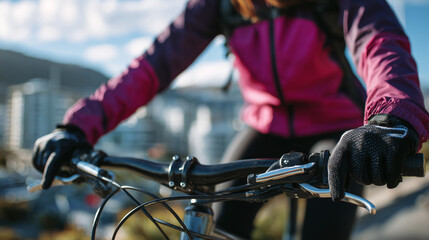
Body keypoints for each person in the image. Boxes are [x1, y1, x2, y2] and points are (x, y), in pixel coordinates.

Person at [33, 0, 429, 239]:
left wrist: (388, 121)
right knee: (218, 223)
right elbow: (151, 68)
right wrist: (77, 127)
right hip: (265, 125)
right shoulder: (218, 6)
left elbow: (382, 45)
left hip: (334, 128)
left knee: (325, 226)